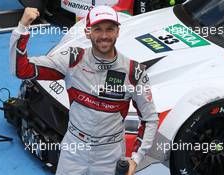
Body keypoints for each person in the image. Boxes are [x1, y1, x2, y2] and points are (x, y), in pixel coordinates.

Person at [9, 5, 159, 175]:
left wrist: (136, 158)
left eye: (110, 29)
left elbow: (150, 118)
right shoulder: (73, 60)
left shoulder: (133, 72)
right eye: (97, 29)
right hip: (74, 150)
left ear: (118, 31)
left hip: (110, 155)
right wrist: (22, 27)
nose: (104, 35)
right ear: (88, 32)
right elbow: (22, 70)